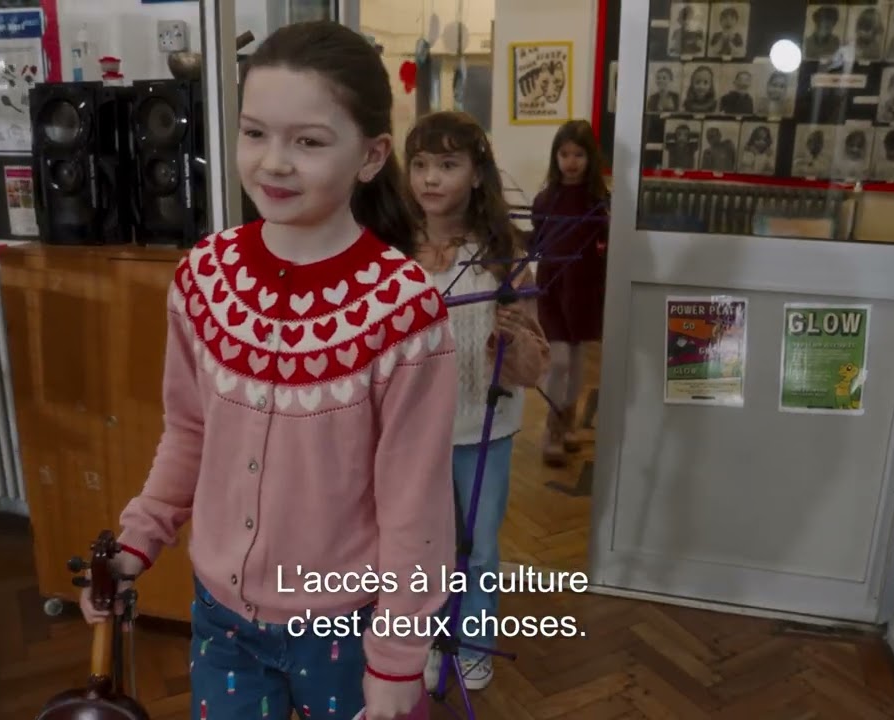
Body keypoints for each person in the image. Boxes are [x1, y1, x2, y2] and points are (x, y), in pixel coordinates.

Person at [79, 21, 459, 720]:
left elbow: (417, 509)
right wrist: (140, 536)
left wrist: (399, 656)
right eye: (255, 133)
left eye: (308, 142)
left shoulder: (406, 311)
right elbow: (189, 431)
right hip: (221, 619)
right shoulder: (204, 276)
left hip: (344, 630)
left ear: (372, 156)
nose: (273, 163)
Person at [402, 111, 550, 691]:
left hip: (483, 427)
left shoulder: (504, 254)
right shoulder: (392, 252)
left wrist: (510, 342)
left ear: (477, 174)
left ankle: (472, 643)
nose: (430, 179)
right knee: (419, 545)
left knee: (478, 547)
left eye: (447, 164)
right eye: (419, 165)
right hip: (413, 429)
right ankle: (422, 639)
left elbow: (535, 365)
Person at [530, 120, 610, 467]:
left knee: (577, 362)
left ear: (590, 158)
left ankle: (569, 422)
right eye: (564, 154)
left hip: (585, 290)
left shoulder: (599, 201)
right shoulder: (546, 198)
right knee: (559, 359)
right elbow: (537, 243)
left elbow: (606, 246)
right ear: (556, 157)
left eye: (578, 154)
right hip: (553, 288)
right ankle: (552, 428)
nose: (571, 162)